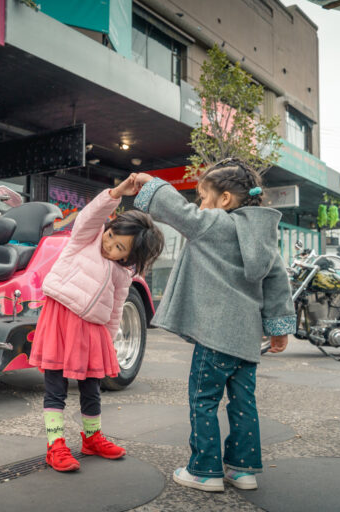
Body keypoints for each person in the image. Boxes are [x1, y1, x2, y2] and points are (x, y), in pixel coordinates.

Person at [133, 159, 295, 492]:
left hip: (215, 336)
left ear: (224, 199)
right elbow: (278, 280)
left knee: (203, 400)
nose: (200, 205)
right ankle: (243, 469)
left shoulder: (215, 223)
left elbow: (179, 212)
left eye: (204, 196)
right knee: (243, 403)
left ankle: (205, 470)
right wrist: (279, 328)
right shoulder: (265, 237)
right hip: (247, 339)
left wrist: (152, 183)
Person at [30, 174, 164, 472]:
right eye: (111, 235)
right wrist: (116, 192)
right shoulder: (86, 239)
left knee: (91, 387)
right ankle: (55, 444)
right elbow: (90, 216)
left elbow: (116, 309)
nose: (109, 245)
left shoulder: (123, 274)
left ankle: (92, 438)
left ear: (131, 258)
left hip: (92, 330)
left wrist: (109, 341)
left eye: (119, 248)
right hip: (60, 319)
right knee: (55, 386)